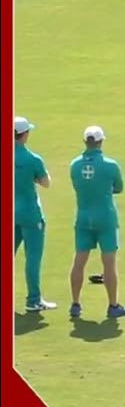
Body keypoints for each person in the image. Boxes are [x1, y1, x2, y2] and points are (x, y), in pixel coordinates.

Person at [68, 126, 125, 319]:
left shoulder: (74, 165)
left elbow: (78, 185)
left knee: (79, 261)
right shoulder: (111, 165)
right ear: (101, 141)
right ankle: (113, 306)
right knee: (109, 263)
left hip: (83, 218)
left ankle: (75, 304)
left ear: (85, 141)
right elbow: (118, 188)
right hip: (106, 218)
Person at [14, 117, 55, 312]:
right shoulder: (32, 159)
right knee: (33, 258)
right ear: (24, 134)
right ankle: (33, 300)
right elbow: (46, 183)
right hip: (30, 214)